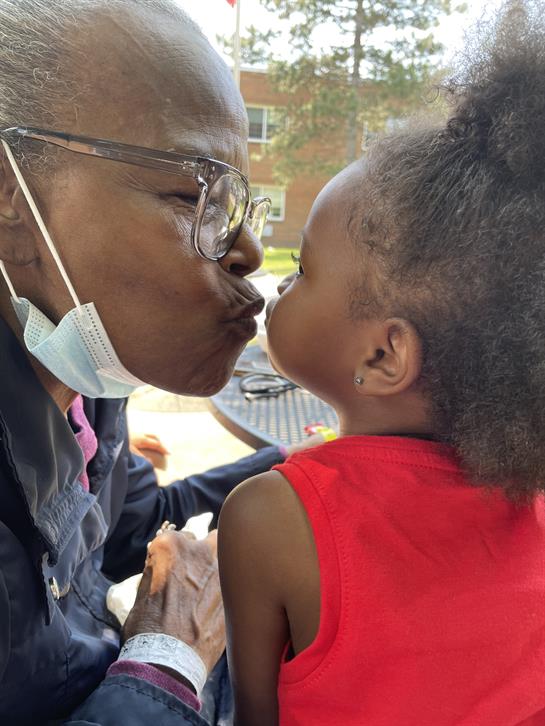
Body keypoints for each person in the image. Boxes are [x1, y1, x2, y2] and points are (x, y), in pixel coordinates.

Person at [218, 2, 545, 724]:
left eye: (303, 269)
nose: (278, 283)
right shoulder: (532, 512)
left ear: (383, 354)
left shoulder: (272, 519)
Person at [0, 1, 319, 724]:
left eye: (239, 208)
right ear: (11, 197)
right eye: (193, 194)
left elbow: (138, 526)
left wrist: (293, 464)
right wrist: (167, 660)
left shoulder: (89, 388)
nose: (246, 252)